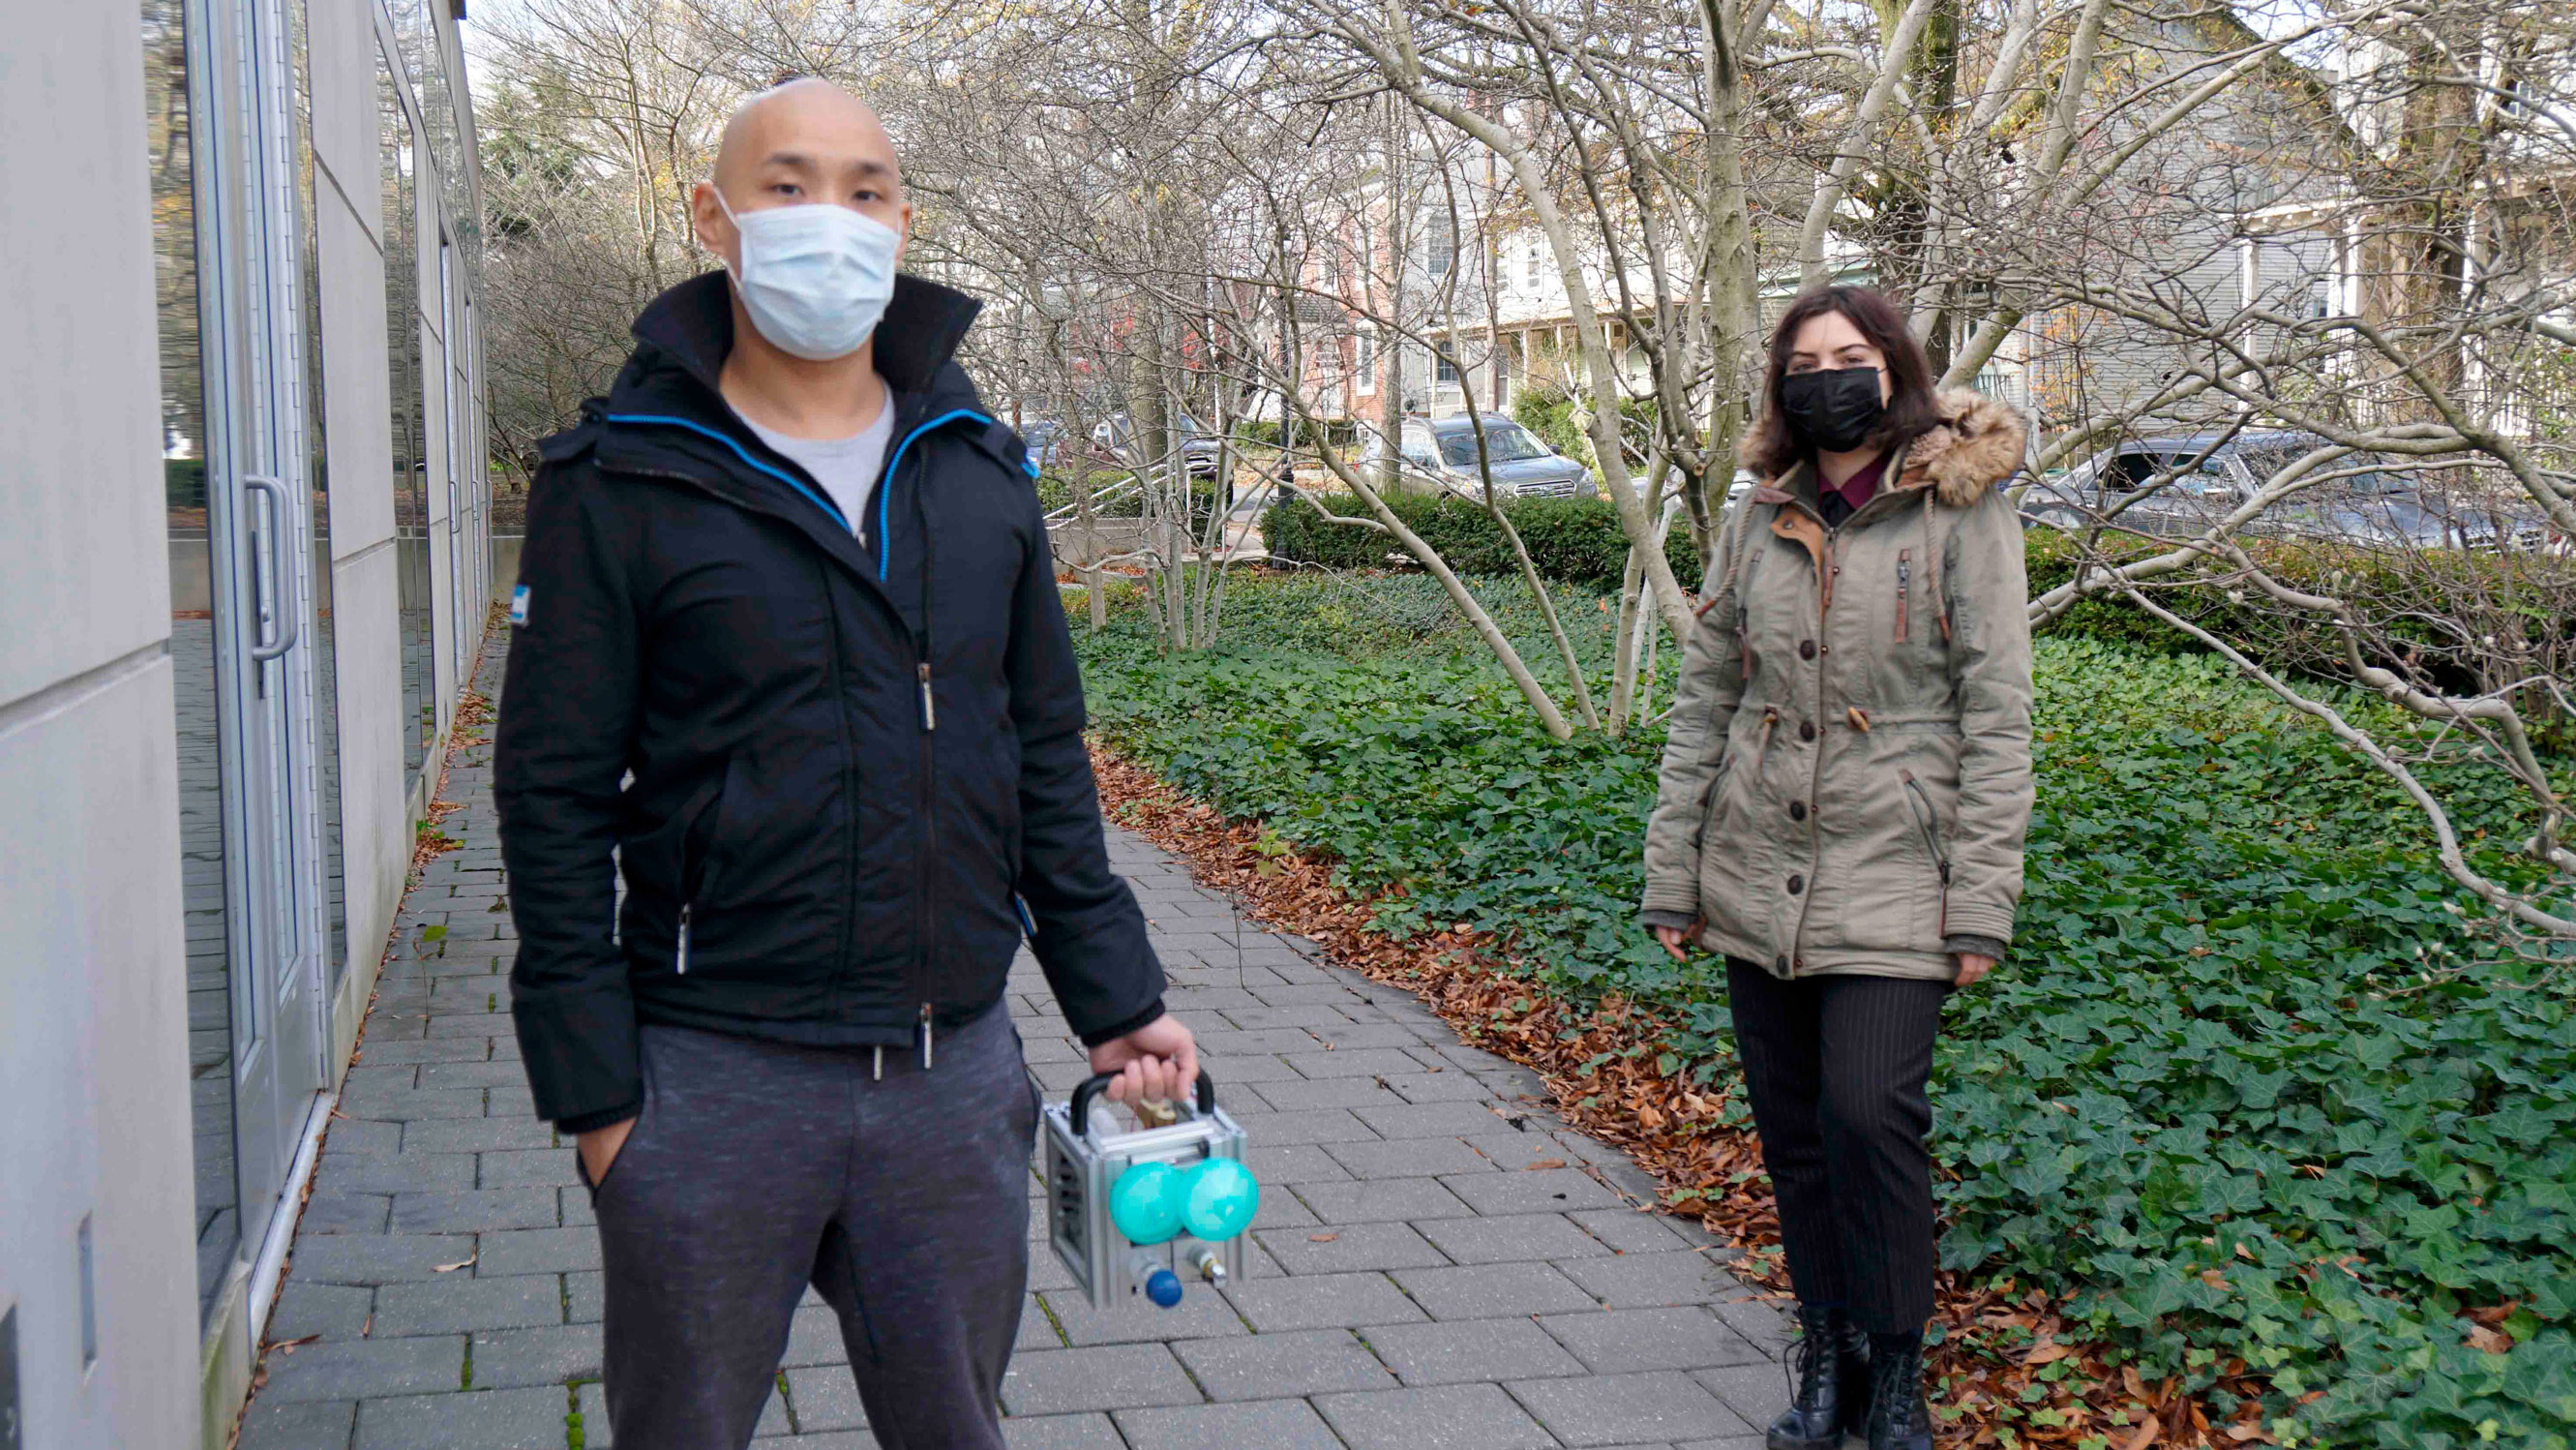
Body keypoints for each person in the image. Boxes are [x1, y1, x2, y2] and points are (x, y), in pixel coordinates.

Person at [494, 78, 1196, 1450]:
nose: (832, 218)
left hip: (951, 1078)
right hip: (707, 1081)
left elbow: (1039, 750)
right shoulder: (617, 481)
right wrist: (596, 1099)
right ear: (713, 215)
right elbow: (551, 792)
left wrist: (1115, 1002)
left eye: (865, 189)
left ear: (902, 221)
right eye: (787, 183)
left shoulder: (979, 470)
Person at [1637, 287, 2033, 1450]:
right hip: (1757, 863)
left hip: (1899, 862)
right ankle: (1830, 1357)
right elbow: (1707, 690)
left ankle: (1898, 1368)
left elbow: (1998, 717)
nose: (1827, 377)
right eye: (1803, 360)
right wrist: (1676, 867)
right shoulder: (1757, 511)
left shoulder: (1960, 509)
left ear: (1894, 365)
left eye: (1849, 355)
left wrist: (1981, 899)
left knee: (1870, 1114)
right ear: (1778, 384)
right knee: (1795, 1133)